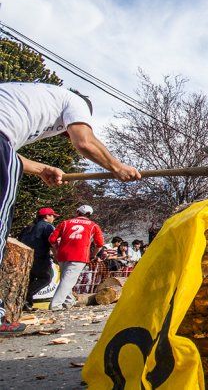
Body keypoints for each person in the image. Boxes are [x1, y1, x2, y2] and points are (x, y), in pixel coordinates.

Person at [0, 82, 140, 332]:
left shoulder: (22, 101)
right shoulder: (74, 101)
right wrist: (117, 166)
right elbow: (85, 141)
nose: (64, 135)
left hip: (64, 254)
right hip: (76, 255)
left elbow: (11, 155)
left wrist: (42, 169)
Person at [48, 205, 104, 310]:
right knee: (68, 281)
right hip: (79, 256)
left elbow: (52, 239)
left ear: (77, 212)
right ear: (90, 214)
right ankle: (56, 305)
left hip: (63, 254)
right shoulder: (93, 226)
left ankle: (69, 302)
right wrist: (93, 254)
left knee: (65, 279)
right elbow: (100, 244)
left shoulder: (65, 223)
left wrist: (57, 250)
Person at [18, 208, 58, 309]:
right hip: (40, 257)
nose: (53, 218)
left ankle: (26, 304)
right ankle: (26, 297)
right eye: (52, 216)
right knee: (45, 278)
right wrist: (56, 255)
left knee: (29, 279)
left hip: (24, 256)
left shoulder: (28, 227)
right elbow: (52, 242)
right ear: (46, 216)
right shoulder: (48, 227)